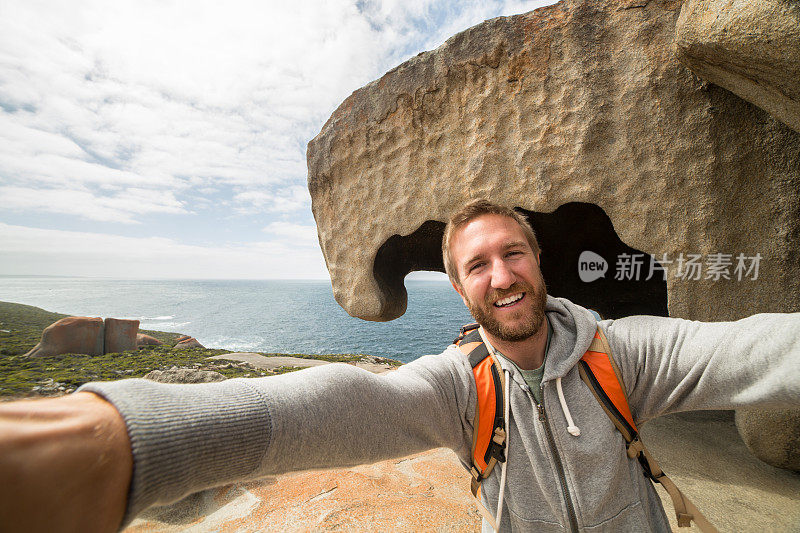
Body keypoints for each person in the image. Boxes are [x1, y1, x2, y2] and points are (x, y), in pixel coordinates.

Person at [1, 199, 799, 532]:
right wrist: (133, 436)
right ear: (459, 287)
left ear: (539, 262)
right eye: (479, 264)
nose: (502, 275)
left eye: (513, 252)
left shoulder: (620, 353)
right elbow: (336, 404)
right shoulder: (461, 385)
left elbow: (753, 348)